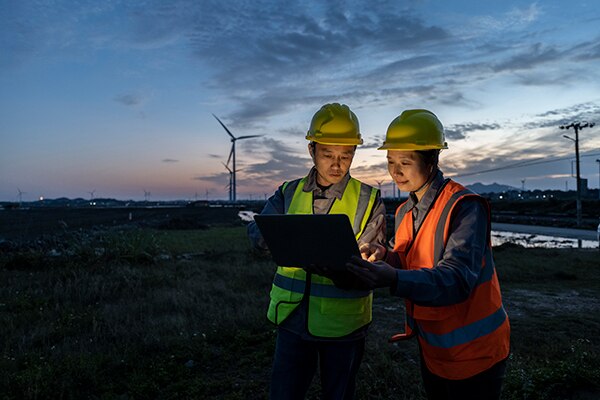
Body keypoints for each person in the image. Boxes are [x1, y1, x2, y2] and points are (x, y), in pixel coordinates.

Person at [347, 109, 510, 400]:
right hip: (434, 349)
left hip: (476, 354)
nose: (395, 172)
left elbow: (457, 279)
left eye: (405, 163)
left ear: (432, 160)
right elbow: (408, 259)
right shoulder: (406, 210)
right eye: (390, 162)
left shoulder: (464, 206)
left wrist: (394, 278)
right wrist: (384, 255)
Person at [247, 103, 386, 400]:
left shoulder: (369, 198)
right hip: (292, 319)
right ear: (312, 150)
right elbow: (257, 234)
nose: (337, 164)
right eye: (328, 154)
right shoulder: (288, 192)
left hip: (344, 326)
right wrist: (272, 239)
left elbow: (372, 259)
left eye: (345, 155)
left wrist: (353, 266)